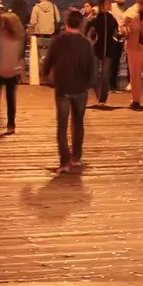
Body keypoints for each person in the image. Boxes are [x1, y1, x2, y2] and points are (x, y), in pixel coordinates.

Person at [42, 9, 96, 173]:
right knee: (78, 124)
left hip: (63, 88)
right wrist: (88, 84)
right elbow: (92, 68)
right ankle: (76, 157)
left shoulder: (58, 41)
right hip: (80, 89)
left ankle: (64, 162)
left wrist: (47, 76)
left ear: (66, 23)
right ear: (80, 24)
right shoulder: (86, 43)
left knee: (62, 126)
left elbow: (48, 63)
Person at [0, 9, 24, 134]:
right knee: (11, 99)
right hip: (13, 70)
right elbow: (20, 55)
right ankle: (11, 124)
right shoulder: (19, 37)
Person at [88, 0, 122, 104]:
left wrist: (120, 35)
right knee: (95, 75)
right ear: (102, 5)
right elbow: (89, 31)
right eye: (107, 3)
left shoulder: (111, 18)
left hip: (109, 50)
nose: (110, 5)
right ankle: (98, 95)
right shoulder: (96, 18)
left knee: (105, 75)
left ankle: (103, 99)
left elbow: (117, 31)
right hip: (97, 49)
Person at [27, 0, 59, 81]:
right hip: (51, 34)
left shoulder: (36, 8)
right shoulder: (53, 6)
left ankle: (41, 75)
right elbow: (58, 19)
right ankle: (50, 75)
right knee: (50, 55)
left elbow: (33, 21)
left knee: (39, 56)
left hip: (39, 34)